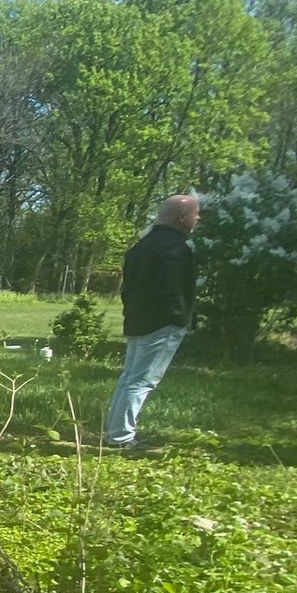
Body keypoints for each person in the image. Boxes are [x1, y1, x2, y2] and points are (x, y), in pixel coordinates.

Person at [105, 193, 201, 451]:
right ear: (182, 218)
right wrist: (181, 319)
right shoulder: (176, 248)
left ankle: (116, 433)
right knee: (141, 381)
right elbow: (171, 288)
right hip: (162, 323)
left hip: (137, 320)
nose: (197, 218)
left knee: (129, 379)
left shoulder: (142, 246)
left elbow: (129, 287)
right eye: (195, 214)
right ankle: (121, 438)